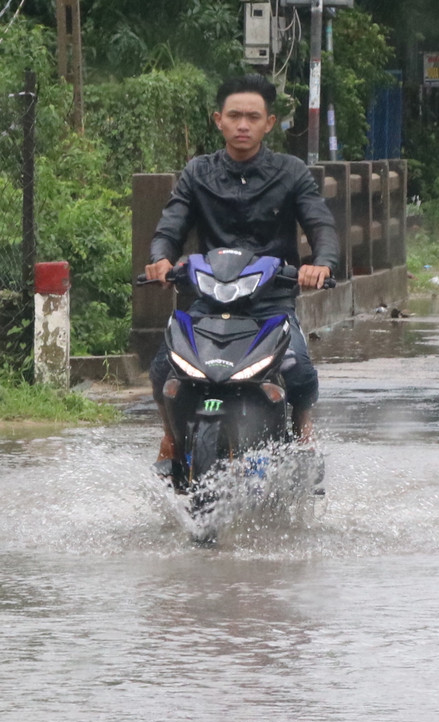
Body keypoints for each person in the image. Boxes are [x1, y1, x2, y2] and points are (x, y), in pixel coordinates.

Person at [144, 73, 338, 466]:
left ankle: (303, 429)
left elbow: (321, 225)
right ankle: (169, 436)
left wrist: (320, 264)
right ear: (219, 120)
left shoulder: (292, 172)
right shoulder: (197, 173)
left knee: (298, 367)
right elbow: (171, 225)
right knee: (164, 365)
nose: (243, 124)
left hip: (271, 302)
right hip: (210, 299)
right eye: (234, 116)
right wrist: (161, 259)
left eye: (253, 116)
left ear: (269, 123)